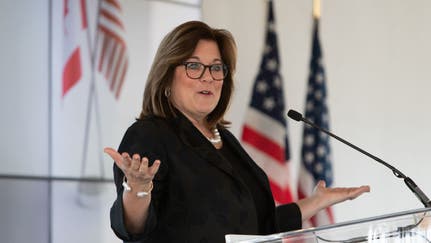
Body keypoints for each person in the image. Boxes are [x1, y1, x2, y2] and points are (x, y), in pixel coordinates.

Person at [104, 20, 370, 243]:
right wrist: (137, 188)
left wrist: (315, 201)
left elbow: (255, 225)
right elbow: (134, 228)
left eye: (216, 67)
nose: (208, 76)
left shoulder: (224, 140)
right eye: (194, 66)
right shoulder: (150, 135)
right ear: (167, 75)